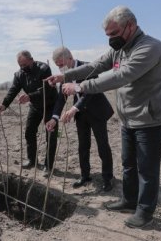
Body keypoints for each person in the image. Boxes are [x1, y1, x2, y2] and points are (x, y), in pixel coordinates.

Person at [46, 6, 161, 228]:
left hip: (150, 119)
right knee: (128, 164)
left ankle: (145, 212)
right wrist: (64, 75)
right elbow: (96, 66)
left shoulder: (150, 47)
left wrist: (79, 86)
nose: (110, 39)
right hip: (128, 118)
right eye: (107, 35)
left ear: (130, 26)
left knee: (146, 168)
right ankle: (129, 200)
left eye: (113, 33)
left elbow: (120, 76)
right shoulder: (119, 49)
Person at [45, 46, 114, 192]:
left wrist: (74, 108)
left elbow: (91, 91)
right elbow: (61, 98)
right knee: (83, 146)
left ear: (70, 58)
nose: (60, 68)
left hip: (97, 112)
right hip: (81, 116)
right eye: (57, 66)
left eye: (61, 64)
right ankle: (85, 176)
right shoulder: (64, 76)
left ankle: (108, 178)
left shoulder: (87, 67)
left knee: (103, 146)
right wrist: (54, 118)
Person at [0, 50, 58, 177]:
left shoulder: (44, 68)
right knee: (29, 131)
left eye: (24, 64)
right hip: (35, 106)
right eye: (20, 65)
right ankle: (32, 160)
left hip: (50, 105)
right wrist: (4, 104)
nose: (22, 67)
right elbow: (13, 90)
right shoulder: (19, 74)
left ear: (31, 60)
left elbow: (46, 89)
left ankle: (48, 165)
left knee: (50, 135)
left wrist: (30, 96)